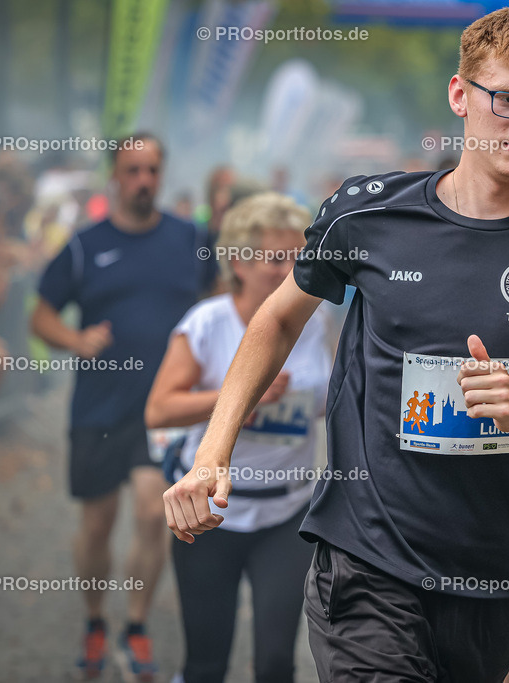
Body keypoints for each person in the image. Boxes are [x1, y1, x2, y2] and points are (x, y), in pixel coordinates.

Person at [163, 6, 509, 683]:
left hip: (496, 579)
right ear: (461, 96)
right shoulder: (370, 213)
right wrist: (211, 452)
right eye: (507, 99)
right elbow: (277, 320)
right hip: (368, 561)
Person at [31, 134, 213, 681]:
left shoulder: (192, 240)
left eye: (152, 170)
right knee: (96, 524)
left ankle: (134, 626)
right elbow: (41, 315)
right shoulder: (84, 247)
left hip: (160, 409)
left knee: (151, 512)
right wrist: (74, 339)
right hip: (96, 408)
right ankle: (93, 620)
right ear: (115, 174)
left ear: (162, 174)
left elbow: (217, 300)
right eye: (132, 170)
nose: (143, 180)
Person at [146, 193, 332, 683]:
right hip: (211, 518)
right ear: (237, 262)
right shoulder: (208, 323)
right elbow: (158, 409)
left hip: (286, 516)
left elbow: (329, 400)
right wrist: (243, 397)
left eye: (296, 257)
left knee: (276, 663)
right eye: (274, 258)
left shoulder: (317, 321)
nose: (287, 269)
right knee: (207, 662)